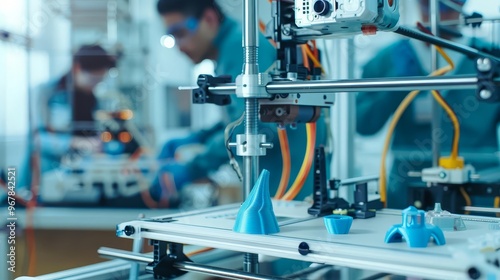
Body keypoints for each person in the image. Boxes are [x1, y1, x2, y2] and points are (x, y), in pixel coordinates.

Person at [152, 0, 327, 203]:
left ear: (209, 19)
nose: (179, 47)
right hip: (279, 188)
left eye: (180, 33)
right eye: (172, 37)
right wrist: (199, 137)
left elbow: (258, 123)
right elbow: (240, 117)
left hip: (288, 188)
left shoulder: (241, 47)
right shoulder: (229, 49)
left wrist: (195, 167)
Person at [356, 0, 500, 209]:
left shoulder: (489, 58)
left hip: (480, 190)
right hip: (409, 191)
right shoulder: (391, 58)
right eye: (429, 4)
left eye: (448, 4)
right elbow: (363, 125)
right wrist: (394, 86)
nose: (438, 11)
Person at [21, 45, 115, 189]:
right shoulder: (45, 92)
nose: (96, 84)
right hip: (43, 178)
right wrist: (74, 142)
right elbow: (36, 140)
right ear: (77, 68)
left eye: (100, 80)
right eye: (93, 78)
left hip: (78, 177)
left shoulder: (93, 100)